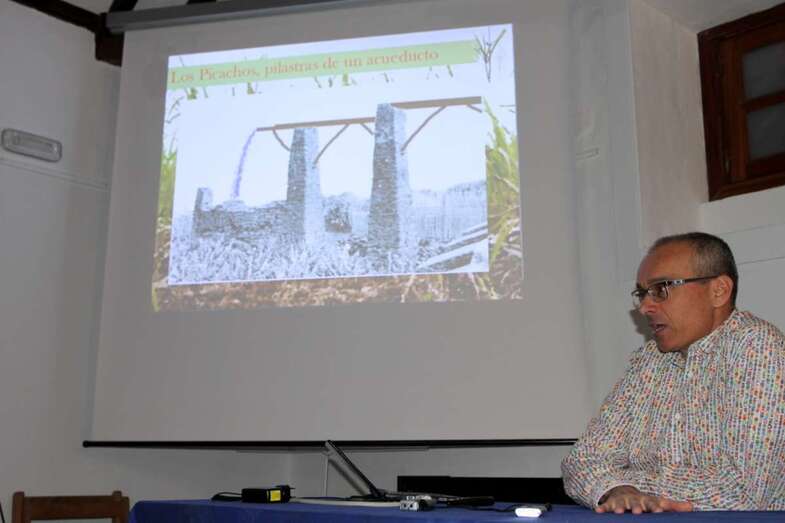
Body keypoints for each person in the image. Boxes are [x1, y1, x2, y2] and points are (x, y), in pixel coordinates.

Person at [562, 232, 785, 513]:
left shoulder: (757, 347)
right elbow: (582, 460)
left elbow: (743, 493)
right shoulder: (650, 360)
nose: (645, 307)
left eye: (661, 289)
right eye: (642, 293)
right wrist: (617, 490)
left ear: (719, 291)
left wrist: (630, 485)